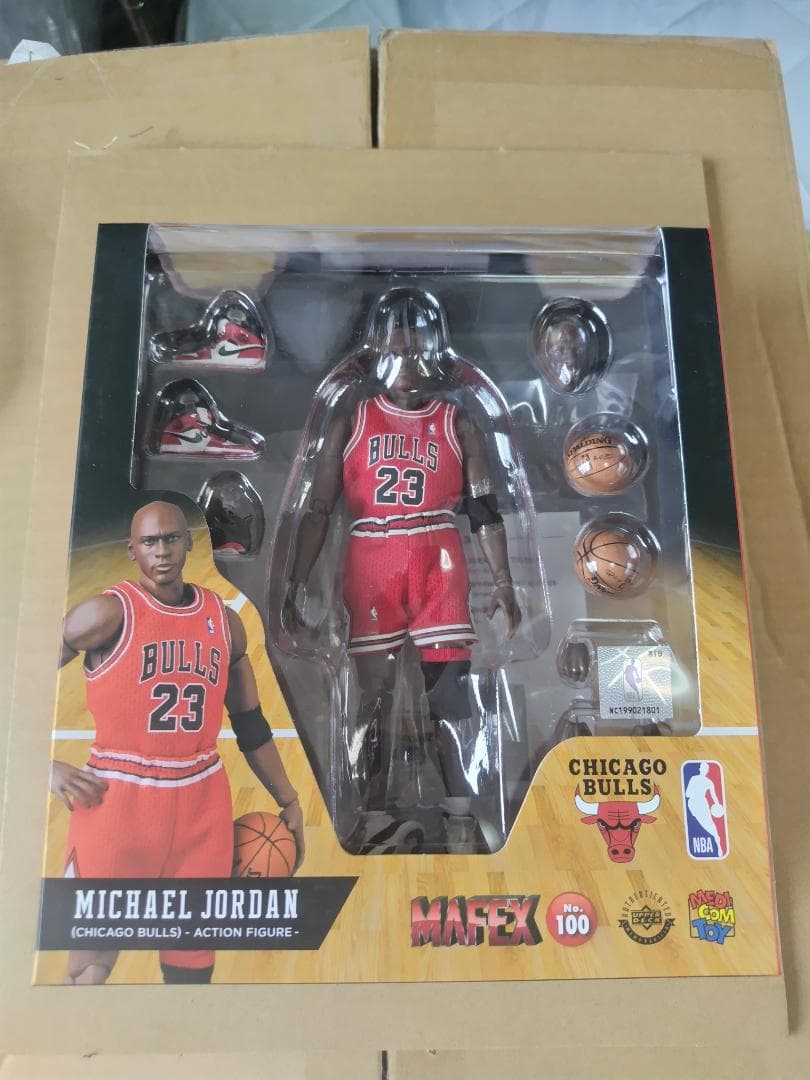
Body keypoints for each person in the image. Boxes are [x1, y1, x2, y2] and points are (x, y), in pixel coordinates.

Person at [283, 287, 521, 853]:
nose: (407, 362)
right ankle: (370, 814)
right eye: (396, 350)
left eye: (417, 351)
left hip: (438, 557)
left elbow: (484, 508)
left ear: (435, 354)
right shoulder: (352, 419)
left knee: (450, 697)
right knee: (373, 698)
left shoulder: (457, 421)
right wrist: (296, 580)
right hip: (373, 557)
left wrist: (505, 581)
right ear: (377, 354)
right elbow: (317, 508)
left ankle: (460, 814)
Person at [50, 500, 304, 985]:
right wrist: (43, 768)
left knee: (193, 966)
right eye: (149, 541)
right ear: (132, 550)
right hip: (116, 802)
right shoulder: (105, 613)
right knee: (89, 968)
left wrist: (288, 798)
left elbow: (250, 722)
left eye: (171, 538)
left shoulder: (224, 622)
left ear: (189, 543)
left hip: (200, 806)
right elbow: (16, 678)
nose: (162, 551)